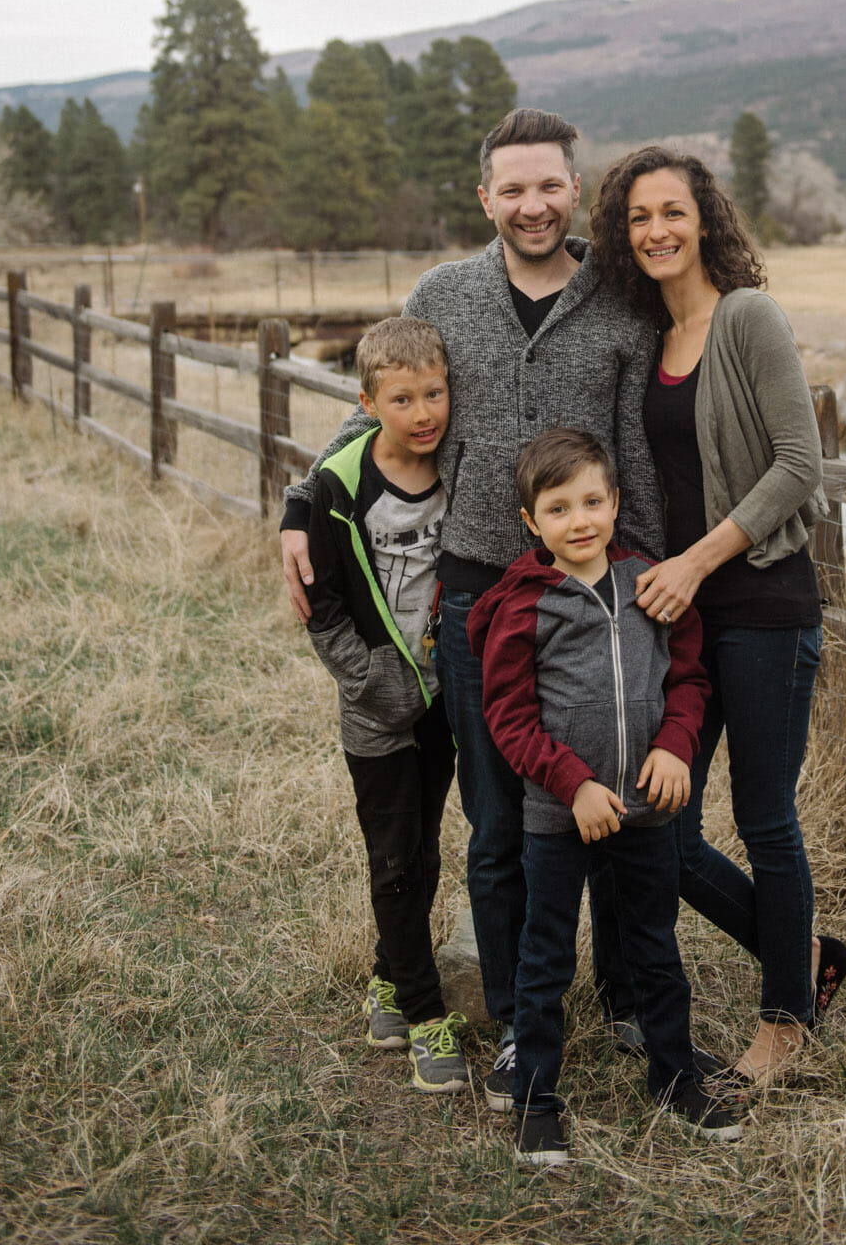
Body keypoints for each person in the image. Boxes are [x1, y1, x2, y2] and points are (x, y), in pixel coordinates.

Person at [280, 108, 665, 1106]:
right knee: (496, 819)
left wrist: (653, 589)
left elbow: (638, 457)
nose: (531, 204)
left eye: (549, 185)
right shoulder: (442, 292)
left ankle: (625, 990)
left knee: (607, 794)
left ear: (574, 189)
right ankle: (508, 1013)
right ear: (484, 196)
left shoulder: (622, 300)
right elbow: (373, 404)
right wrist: (300, 498)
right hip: (473, 593)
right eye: (512, 188)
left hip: (592, 600)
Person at [589, 144, 846, 1086]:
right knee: (663, 824)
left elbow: (798, 462)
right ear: (621, 237)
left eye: (672, 212)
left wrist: (693, 563)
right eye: (637, 218)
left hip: (765, 608)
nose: (656, 230)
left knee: (766, 818)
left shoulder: (748, 317)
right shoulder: (648, 340)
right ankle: (806, 958)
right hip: (684, 621)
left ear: (705, 220)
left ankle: (783, 1020)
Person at [468, 428, 740, 1165]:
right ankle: (535, 1099)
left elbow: (686, 681)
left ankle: (675, 1078)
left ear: (616, 503)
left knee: (654, 945)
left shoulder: (652, 584)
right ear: (530, 523)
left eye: (592, 501)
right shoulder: (524, 607)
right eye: (559, 509)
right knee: (545, 955)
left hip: (647, 810)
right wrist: (572, 783)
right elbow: (509, 718)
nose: (579, 520)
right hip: (559, 816)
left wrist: (675, 744)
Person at [301, 315, 469, 1094]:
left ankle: (386, 978)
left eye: (433, 393)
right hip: (376, 708)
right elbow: (322, 607)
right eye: (402, 399)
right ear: (368, 402)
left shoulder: (457, 470)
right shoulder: (340, 486)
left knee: (425, 849)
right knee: (392, 858)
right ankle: (426, 1016)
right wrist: (371, 682)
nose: (423, 412)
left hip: (442, 701)